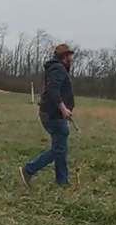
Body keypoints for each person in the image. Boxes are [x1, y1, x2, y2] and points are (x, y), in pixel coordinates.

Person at [19, 44, 76, 188]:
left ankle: (62, 181)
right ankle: (29, 169)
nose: (71, 58)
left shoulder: (56, 68)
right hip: (53, 114)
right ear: (64, 56)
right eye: (70, 55)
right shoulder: (58, 68)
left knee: (61, 147)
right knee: (59, 148)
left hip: (54, 114)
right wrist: (63, 109)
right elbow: (53, 90)